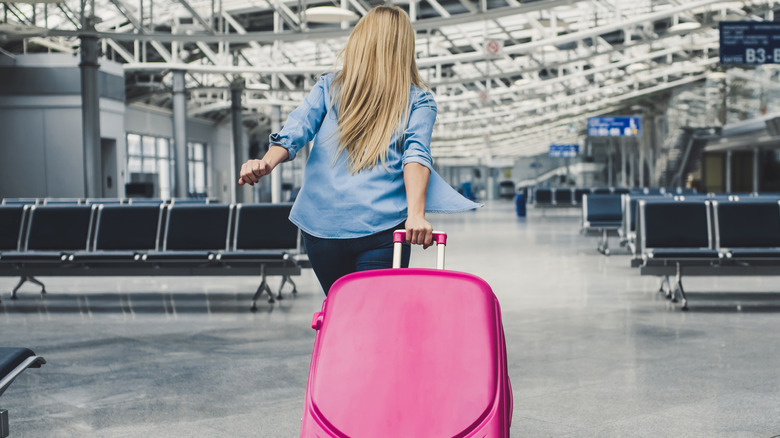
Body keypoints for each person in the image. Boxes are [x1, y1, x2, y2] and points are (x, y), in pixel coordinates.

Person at [238, 5, 479, 295]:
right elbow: (416, 154)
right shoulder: (418, 99)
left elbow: (296, 129)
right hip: (380, 229)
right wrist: (416, 214)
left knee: (347, 314)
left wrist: (266, 162)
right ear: (403, 48)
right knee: (373, 318)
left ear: (359, 42)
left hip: (322, 225)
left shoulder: (331, 87)